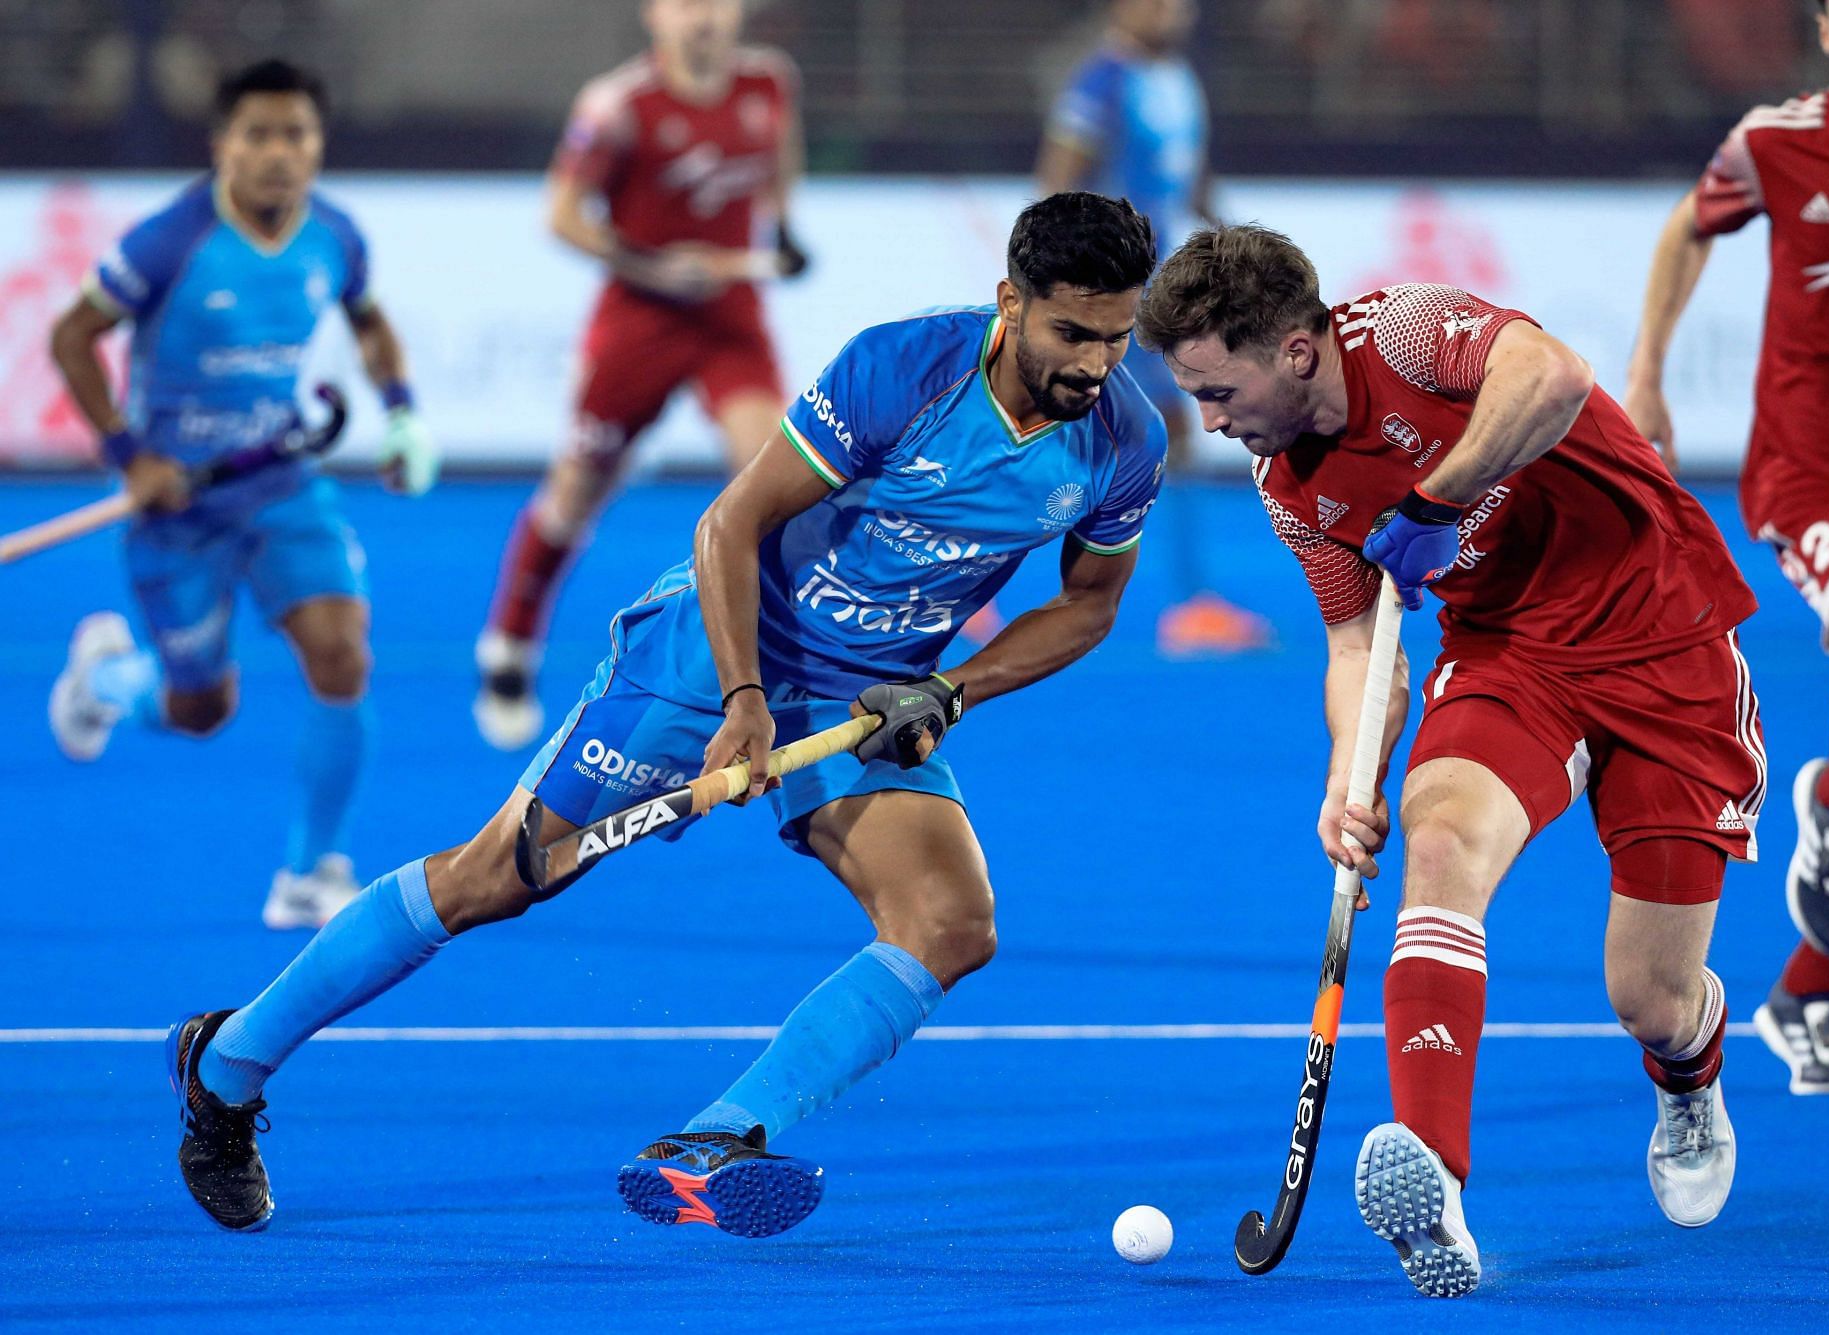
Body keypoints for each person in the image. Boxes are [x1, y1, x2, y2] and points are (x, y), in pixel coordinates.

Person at [165, 193, 1165, 1239]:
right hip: (712, 655)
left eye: (1117, 337)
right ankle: (226, 1064)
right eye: (1072, 334)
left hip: (866, 697)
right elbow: (730, 524)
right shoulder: (902, 371)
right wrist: (739, 702)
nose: (1095, 365)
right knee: (497, 879)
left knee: (951, 924)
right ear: (1011, 303)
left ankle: (716, 1140)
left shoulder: (1119, 441)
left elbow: (1089, 605)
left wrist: (951, 688)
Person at [1138, 226, 1766, 1297]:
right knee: (1440, 841)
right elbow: (1355, 648)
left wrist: (1434, 501)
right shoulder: (1288, 484)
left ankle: (1689, 1070)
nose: (1207, 420)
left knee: (1649, 997)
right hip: (1510, 660)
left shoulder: (1410, 333)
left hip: (1668, 648)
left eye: (1215, 388)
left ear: (1293, 351)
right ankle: (1437, 1179)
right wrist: (1351, 777)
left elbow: (1553, 377)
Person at [45, 58, 438, 930]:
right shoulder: (169, 241)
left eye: (295, 135)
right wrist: (127, 453)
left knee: (342, 654)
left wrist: (403, 411)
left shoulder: (335, 235)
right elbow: (73, 336)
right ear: (222, 144)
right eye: (257, 135)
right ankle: (104, 681)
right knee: (200, 708)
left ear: (317, 144)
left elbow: (366, 318)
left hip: (280, 483)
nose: (278, 154)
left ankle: (311, 871)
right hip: (176, 508)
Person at [1625, 0, 1829, 1096]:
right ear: (1828, 34)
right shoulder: (1778, 144)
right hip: (1821, 471)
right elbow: (1687, 228)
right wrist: (1648, 370)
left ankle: (1807, 994)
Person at [474, 0, 809, 750]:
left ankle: (777, 675)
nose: (705, 19)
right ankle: (511, 642)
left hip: (731, 318)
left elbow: (780, 160)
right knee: (577, 491)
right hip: (639, 322)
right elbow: (561, 213)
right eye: (686, 4)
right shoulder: (619, 105)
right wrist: (651, 265)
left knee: (774, 487)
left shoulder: (769, 84)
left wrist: (783, 229)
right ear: (652, 14)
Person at [1038, 0, 1270, 657]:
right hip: (1115, 290)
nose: (1169, 10)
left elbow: (1185, 181)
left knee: (1127, 436)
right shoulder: (1099, 82)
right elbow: (1056, 183)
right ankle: (1192, 602)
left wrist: (1235, 241)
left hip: (1158, 289)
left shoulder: (1178, 80)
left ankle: (1192, 601)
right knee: (1139, 433)